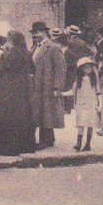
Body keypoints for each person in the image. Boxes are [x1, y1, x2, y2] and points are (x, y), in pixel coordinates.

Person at [0, 30, 35, 156]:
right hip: (23, 89)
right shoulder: (26, 53)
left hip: (8, 88)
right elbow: (33, 68)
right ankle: (25, 145)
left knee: (8, 115)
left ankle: (8, 147)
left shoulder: (7, 54)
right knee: (23, 115)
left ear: (12, 41)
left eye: (8, 39)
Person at [30, 21, 66, 149]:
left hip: (48, 84)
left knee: (47, 111)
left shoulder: (53, 47)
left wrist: (57, 86)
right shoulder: (34, 47)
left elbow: (60, 68)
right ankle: (49, 138)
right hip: (36, 84)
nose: (34, 35)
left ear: (44, 32)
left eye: (36, 32)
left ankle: (45, 140)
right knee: (39, 111)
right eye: (33, 33)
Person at [70, 57, 99, 152]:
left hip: (91, 104)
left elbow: (98, 92)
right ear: (81, 69)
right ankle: (78, 143)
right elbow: (72, 92)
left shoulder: (94, 81)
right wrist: (61, 94)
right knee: (81, 124)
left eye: (90, 67)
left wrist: (98, 104)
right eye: (85, 67)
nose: (88, 69)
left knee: (90, 124)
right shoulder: (78, 81)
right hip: (81, 105)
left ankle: (88, 144)